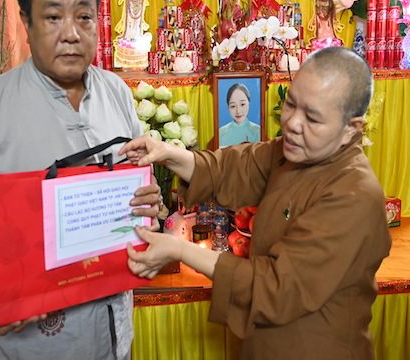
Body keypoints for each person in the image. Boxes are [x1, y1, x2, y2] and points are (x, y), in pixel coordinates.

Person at [0, 0, 161, 360]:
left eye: (84, 16)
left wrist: (148, 200)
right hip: (40, 343)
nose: (71, 33)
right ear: (26, 22)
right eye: (54, 17)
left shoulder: (117, 93)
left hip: (117, 335)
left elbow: (134, 184)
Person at [120, 47, 392, 360]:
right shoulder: (298, 151)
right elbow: (236, 167)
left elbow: (278, 286)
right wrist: (167, 153)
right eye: (291, 103)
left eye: (313, 118)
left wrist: (180, 250)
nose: (292, 123)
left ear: (351, 129)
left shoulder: (353, 194)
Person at [218, 83, 260, 147]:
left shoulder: (258, 131)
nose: (238, 111)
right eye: (233, 106)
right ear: (228, 107)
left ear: (248, 103)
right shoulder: (221, 133)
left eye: (242, 104)